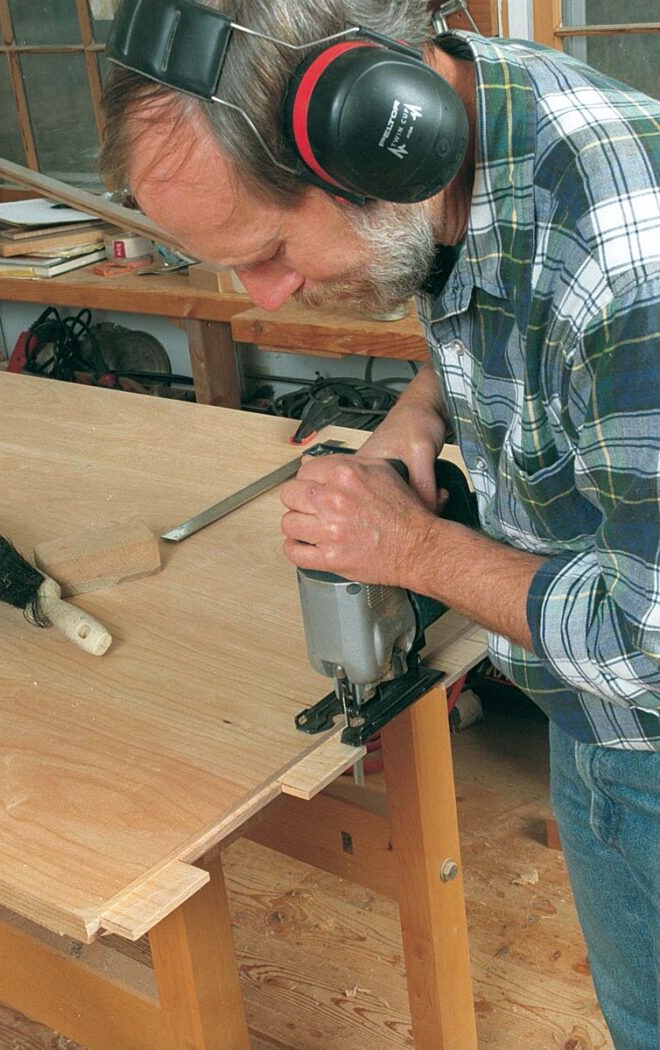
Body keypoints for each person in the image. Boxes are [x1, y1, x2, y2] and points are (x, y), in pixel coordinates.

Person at [99, 3, 660, 1047]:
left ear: (377, 136)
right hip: (589, 709)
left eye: (267, 247)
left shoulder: (635, 257)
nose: (261, 295)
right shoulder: (465, 119)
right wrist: (419, 408)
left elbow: (651, 636)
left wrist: (412, 549)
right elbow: (512, 302)